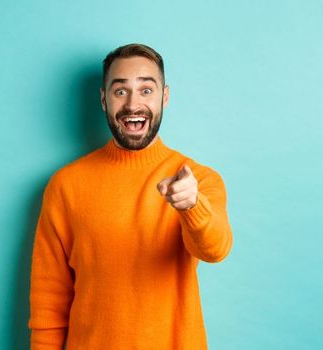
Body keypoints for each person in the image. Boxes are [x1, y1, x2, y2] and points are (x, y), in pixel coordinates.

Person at [28, 43, 234, 349]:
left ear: (165, 97)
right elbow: (49, 302)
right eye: (120, 91)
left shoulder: (197, 179)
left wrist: (191, 206)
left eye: (146, 90)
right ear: (103, 99)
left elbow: (215, 249)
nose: (133, 104)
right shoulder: (65, 186)